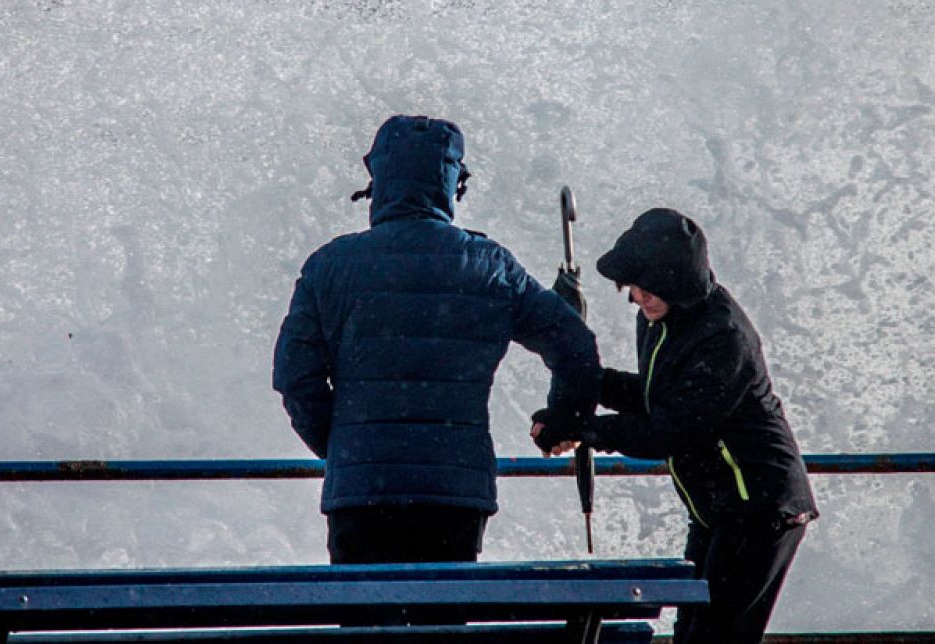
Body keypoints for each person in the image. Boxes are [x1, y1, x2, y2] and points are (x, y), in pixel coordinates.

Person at [273, 114, 601, 564]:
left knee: (366, 628)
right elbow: (574, 345)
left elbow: (295, 378)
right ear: (452, 183)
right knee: (444, 627)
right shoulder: (489, 266)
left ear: (379, 179)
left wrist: (345, 447)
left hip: (361, 494)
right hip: (454, 494)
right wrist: (564, 418)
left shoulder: (330, 266)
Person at [533, 207, 817, 644]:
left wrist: (587, 428)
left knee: (715, 636)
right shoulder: (661, 322)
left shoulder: (722, 336)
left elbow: (671, 429)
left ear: (679, 285)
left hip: (760, 507)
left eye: (651, 289)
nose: (640, 298)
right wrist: (583, 386)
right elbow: (654, 395)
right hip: (718, 509)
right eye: (634, 288)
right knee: (692, 633)